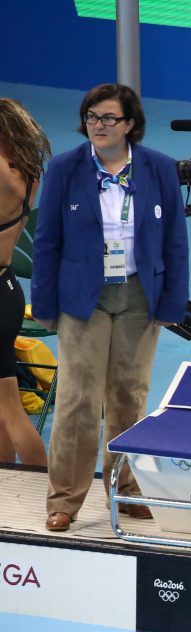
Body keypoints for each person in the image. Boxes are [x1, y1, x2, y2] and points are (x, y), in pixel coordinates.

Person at [30, 84, 189, 532]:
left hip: (140, 297)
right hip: (84, 299)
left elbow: (175, 238)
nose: (98, 126)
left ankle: (127, 490)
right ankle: (64, 499)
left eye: (108, 118)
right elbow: (47, 242)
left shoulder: (158, 168)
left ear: (131, 125)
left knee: (130, 398)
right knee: (79, 401)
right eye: (92, 117)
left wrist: (172, 301)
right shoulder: (65, 168)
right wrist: (43, 302)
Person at [0, 98, 51, 467]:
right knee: (3, 413)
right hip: (7, 290)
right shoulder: (28, 173)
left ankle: (43, 494)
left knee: (11, 413)